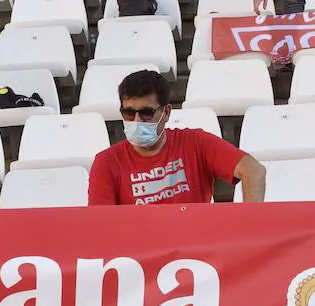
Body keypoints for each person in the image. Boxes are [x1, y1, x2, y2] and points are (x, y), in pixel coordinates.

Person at [89, 70, 267, 206]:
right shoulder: (106, 162)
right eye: (128, 113)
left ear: (166, 112)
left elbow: (253, 170)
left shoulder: (196, 143)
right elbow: (101, 224)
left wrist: (251, 222)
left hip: (194, 248)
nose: (136, 121)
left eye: (146, 113)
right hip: (137, 251)